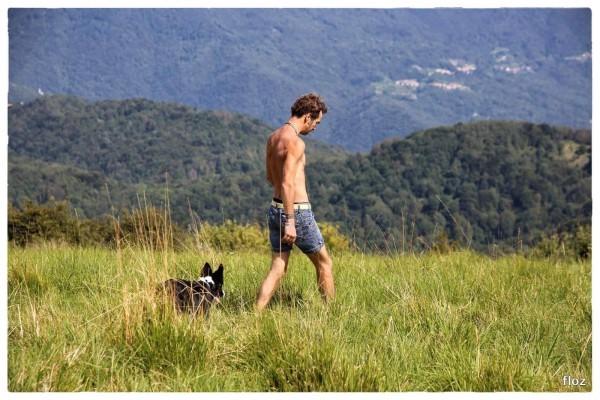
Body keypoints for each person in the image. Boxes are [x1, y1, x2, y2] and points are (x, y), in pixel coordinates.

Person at [255, 93, 335, 311]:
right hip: (296, 214)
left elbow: (271, 178)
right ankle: (331, 315)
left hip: (275, 208)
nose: (315, 127)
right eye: (316, 122)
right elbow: (288, 183)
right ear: (307, 117)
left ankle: (255, 314)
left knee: (278, 267)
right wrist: (291, 220)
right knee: (324, 263)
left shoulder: (273, 138)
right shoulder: (295, 143)